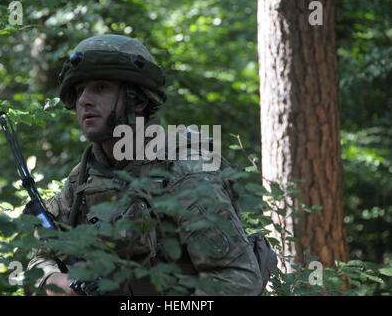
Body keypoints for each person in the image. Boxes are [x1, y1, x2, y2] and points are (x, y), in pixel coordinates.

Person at [27, 34, 263, 296]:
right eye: (80, 90)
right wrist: (53, 280)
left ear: (138, 100)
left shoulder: (183, 168)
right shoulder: (84, 177)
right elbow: (39, 254)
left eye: (101, 87)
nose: (84, 100)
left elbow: (237, 279)